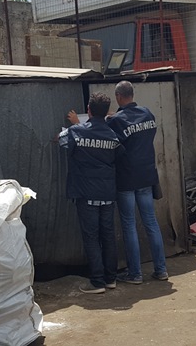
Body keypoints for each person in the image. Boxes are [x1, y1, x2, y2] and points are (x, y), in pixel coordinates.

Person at [59, 92, 124, 294]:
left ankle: (97, 282)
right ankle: (110, 279)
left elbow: (62, 141)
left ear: (88, 110)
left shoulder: (76, 131)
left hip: (86, 193)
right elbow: (119, 156)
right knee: (108, 236)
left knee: (91, 237)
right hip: (107, 194)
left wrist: (75, 125)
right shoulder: (113, 136)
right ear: (106, 112)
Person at [106, 80, 169, 283]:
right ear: (132, 94)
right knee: (150, 221)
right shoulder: (147, 113)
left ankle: (135, 273)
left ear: (118, 97)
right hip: (146, 175)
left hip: (126, 178)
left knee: (129, 224)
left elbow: (112, 144)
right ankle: (161, 269)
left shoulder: (117, 121)